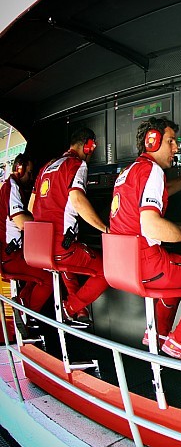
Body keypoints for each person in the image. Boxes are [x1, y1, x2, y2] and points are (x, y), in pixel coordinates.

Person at [109, 117, 181, 364]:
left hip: (124, 266)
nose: (176, 148)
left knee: (178, 275)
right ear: (152, 141)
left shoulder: (131, 171)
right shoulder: (152, 171)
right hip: (147, 265)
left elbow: (163, 191)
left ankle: (156, 333)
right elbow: (152, 225)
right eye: (170, 142)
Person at [29, 128, 108, 325]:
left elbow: (31, 206)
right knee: (108, 271)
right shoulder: (77, 164)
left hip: (39, 248)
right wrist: (105, 229)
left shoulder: (47, 166)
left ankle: (80, 312)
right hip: (60, 249)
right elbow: (78, 200)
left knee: (68, 263)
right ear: (88, 146)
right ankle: (71, 307)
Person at [0, 153, 54, 328]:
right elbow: (21, 222)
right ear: (19, 168)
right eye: (30, 173)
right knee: (48, 278)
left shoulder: (11, 188)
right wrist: (45, 223)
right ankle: (28, 318)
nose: (31, 178)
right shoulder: (12, 187)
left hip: (10, 255)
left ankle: (21, 304)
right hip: (10, 256)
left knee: (37, 271)